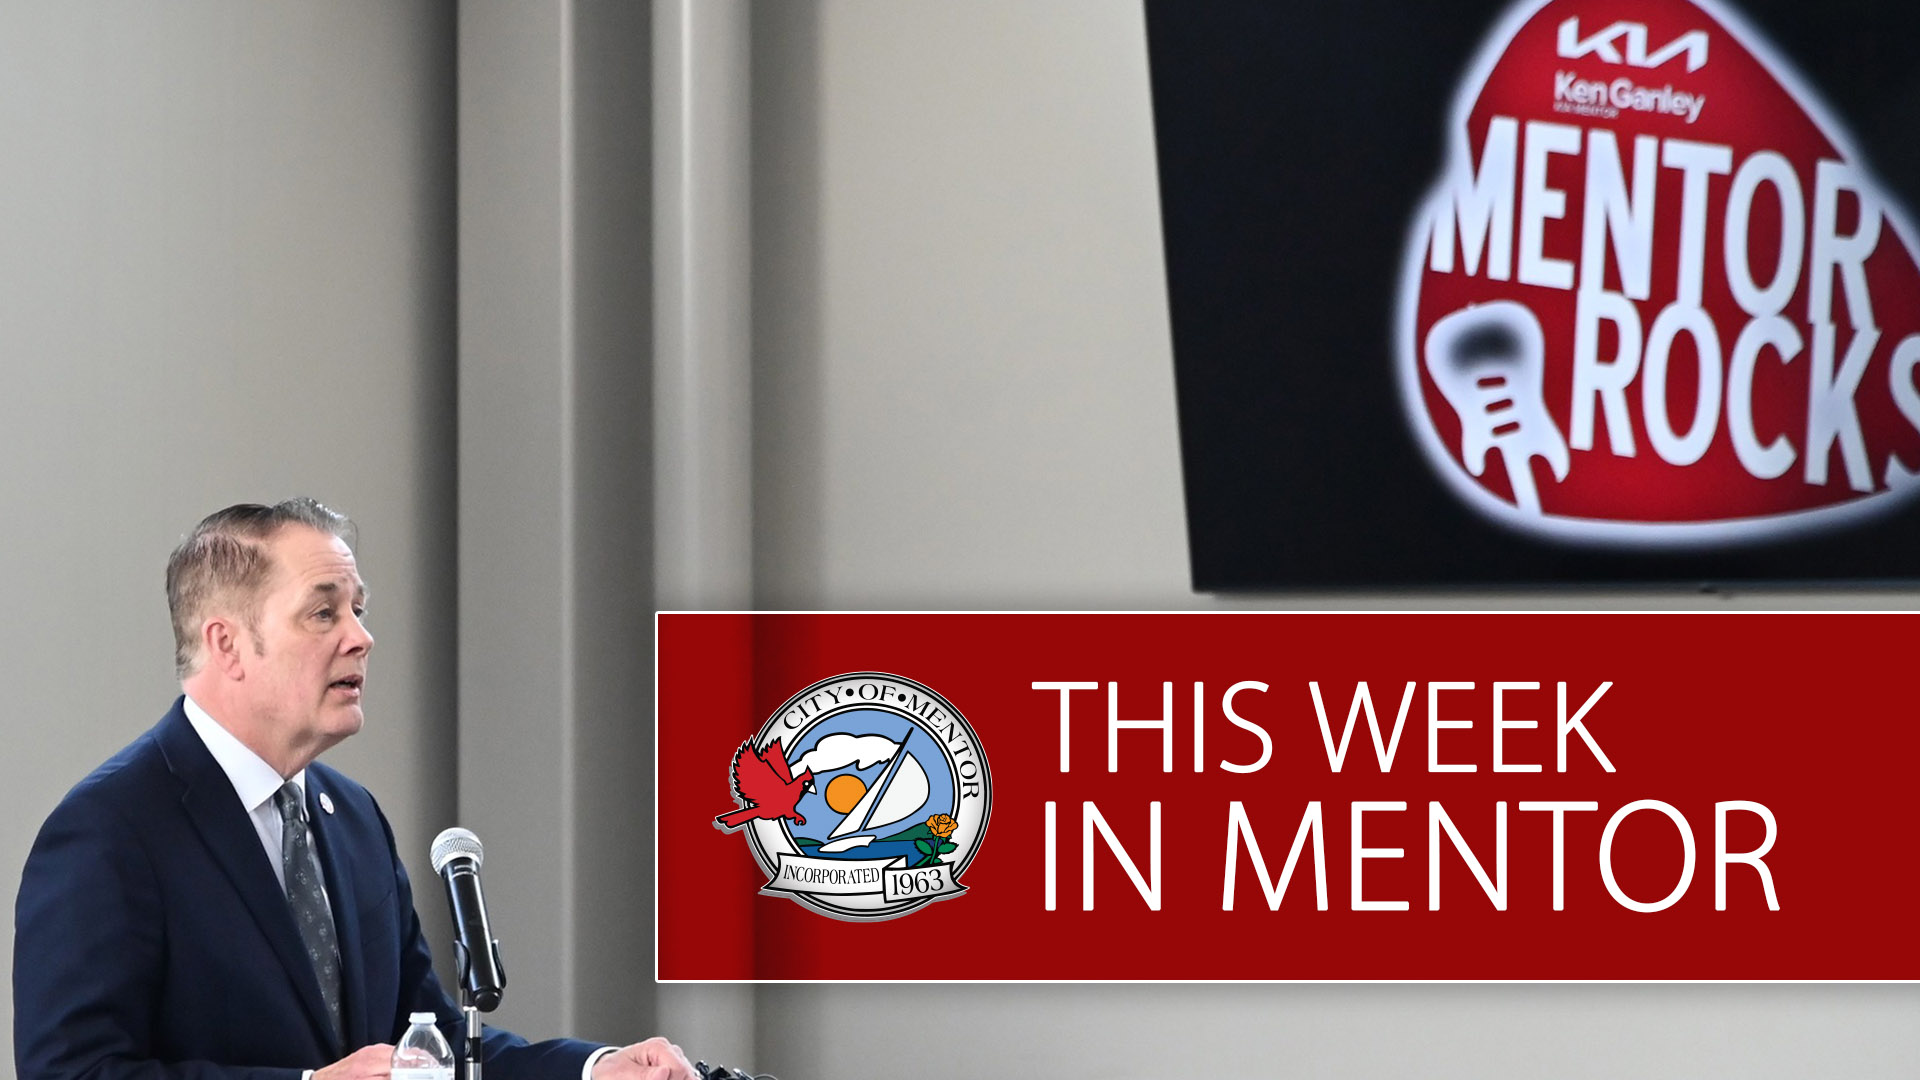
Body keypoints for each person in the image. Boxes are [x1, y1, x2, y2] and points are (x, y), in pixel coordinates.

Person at [14, 499, 696, 1080]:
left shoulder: (353, 818)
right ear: (226, 645)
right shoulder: (111, 829)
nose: (362, 638)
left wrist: (592, 1067)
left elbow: (425, 1046)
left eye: (359, 610)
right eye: (323, 614)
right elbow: (75, 1071)